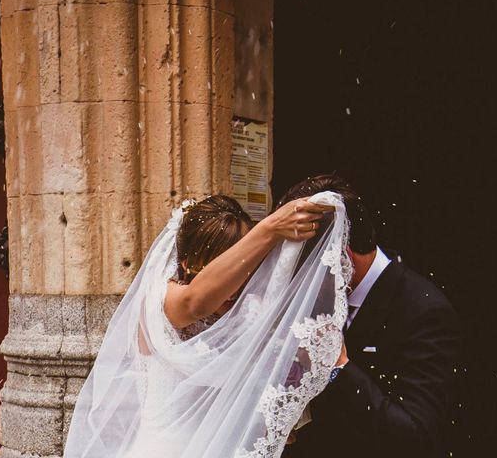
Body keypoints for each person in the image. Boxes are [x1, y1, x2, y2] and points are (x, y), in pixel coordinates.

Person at [64, 192, 347, 458]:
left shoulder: (250, 312)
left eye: (243, 275)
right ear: (186, 264)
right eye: (222, 275)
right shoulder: (163, 302)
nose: (232, 291)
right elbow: (195, 302)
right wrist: (271, 228)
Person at [280, 174, 462, 458]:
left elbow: (415, 436)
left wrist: (339, 366)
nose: (297, 280)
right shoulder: (319, 298)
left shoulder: (425, 311)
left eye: (304, 268)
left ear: (343, 256)